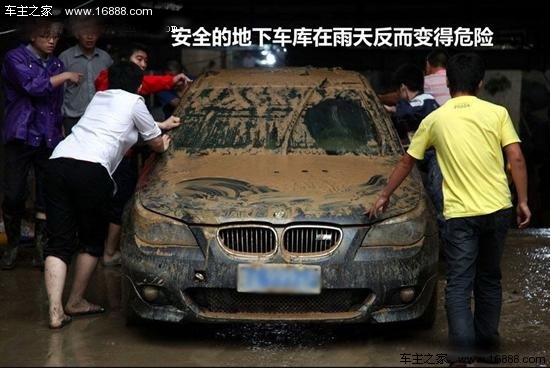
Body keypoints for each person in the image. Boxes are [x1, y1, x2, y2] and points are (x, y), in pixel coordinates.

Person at [368, 52, 531, 361]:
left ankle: (462, 355)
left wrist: (384, 195)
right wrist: (522, 200)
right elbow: (517, 158)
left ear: (446, 81)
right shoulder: (497, 113)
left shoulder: (435, 118)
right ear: (481, 83)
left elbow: (407, 161)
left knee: (458, 283)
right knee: (489, 279)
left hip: (459, 217)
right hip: (497, 209)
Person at [43, 61, 177, 329]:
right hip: (91, 170)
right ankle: (76, 301)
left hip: (57, 162)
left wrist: (159, 123)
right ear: (139, 85)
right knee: (91, 242)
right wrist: (165, 139)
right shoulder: (136, 101)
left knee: (59, 242)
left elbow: (118, 129)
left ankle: (55, 309)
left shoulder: (100, 97)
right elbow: (155, 143)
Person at [96, 43, 190, 267]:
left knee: (117, 201)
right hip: (109, 157)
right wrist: (170, 81)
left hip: (119, 155)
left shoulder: (126, 94)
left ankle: (104, 252)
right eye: (139, 59)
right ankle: (105, 253)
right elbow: (153, 137)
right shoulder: (109, 81)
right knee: (114, 202)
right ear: (124, 64)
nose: (143, 65)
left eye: (146, 62)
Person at [0, 18, 82, 270]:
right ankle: (13, 244)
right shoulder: (15, 58)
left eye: (55, 37)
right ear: (32, 35)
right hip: (21, 134)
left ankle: (40, 245)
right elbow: (33, 87)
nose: (51, 40)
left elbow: (54, 104)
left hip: (48, 136)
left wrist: (60, 131)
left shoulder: (56, 62)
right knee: (13, 194)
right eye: (46, 35)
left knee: (47, 195)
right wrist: (65, 75)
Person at [384, 63, 445, 238]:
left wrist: (393, 109)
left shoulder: (425, 100)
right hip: (424, 156)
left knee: (436, 193)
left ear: (403, 87)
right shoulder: (426, 101)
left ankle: (442, 238)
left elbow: (408, 112)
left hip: (434, 156)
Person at [58, 15, 113, 135]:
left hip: (100, 117)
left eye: (93, 33)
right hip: (73, 118)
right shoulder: (65, 57)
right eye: (85, 32)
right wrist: (59, 120)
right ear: (77, 35)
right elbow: (59, 92)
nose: (90, 37)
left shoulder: (105, 58)